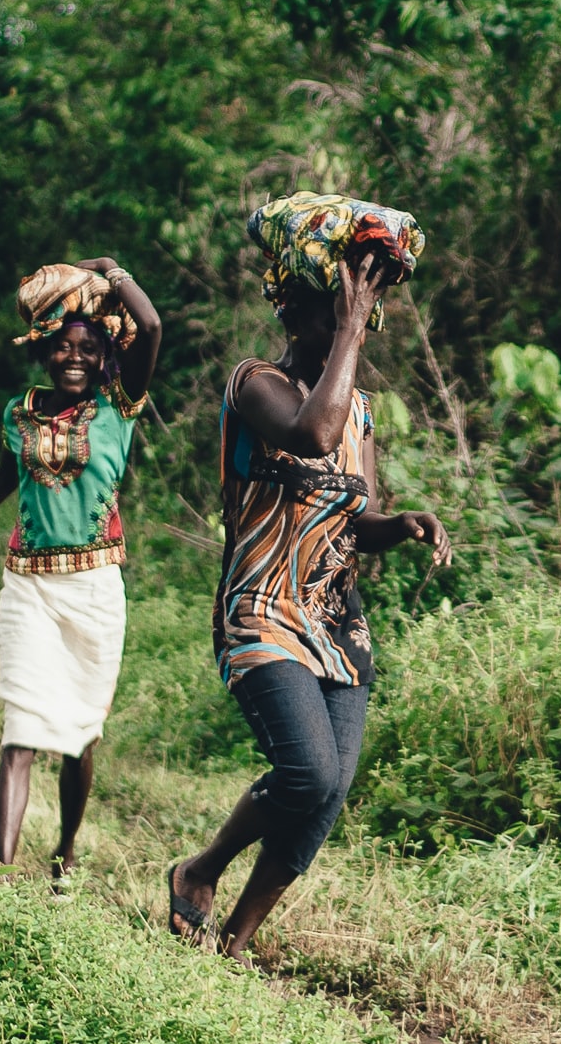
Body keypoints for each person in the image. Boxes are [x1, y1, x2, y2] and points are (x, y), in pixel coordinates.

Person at [166, 193, 449, 960]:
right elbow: (309, 434)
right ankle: (199, 871)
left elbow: (354, 517)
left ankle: (236, 943)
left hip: (335, 623)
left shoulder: (358, 411)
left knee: (328, 794)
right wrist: (351, 326)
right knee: (305, 770)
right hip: (260, 610)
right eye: (339, 315)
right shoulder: (254, 384)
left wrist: (403, 525)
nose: (354, 332)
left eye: (358, 320)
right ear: (294, 311)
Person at [0, 258, 163, 892]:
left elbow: (151, 326)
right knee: (20, 728)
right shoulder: (16, 415)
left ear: (104, 358)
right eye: (62, 348)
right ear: (44, 353)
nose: (73, 358)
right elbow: (5, 476)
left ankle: (66, 853)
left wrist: (110, 270)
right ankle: (1, 867)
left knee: (80, 735)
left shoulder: (118, 406)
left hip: (97, 590)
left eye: (87, 349)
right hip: (27, 584)